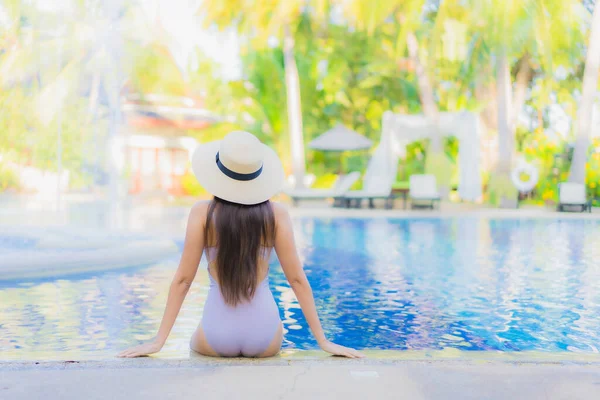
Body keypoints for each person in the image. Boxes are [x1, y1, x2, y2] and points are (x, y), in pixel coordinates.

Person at [118, 131, 364, 359]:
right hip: (264, 337)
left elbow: (183, 280)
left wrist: (157, 342)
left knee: (194, 341)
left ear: (218, 174)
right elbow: (297, 280)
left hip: (217, 336)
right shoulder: (276, 215)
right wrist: (323, 341)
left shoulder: (201, 213)